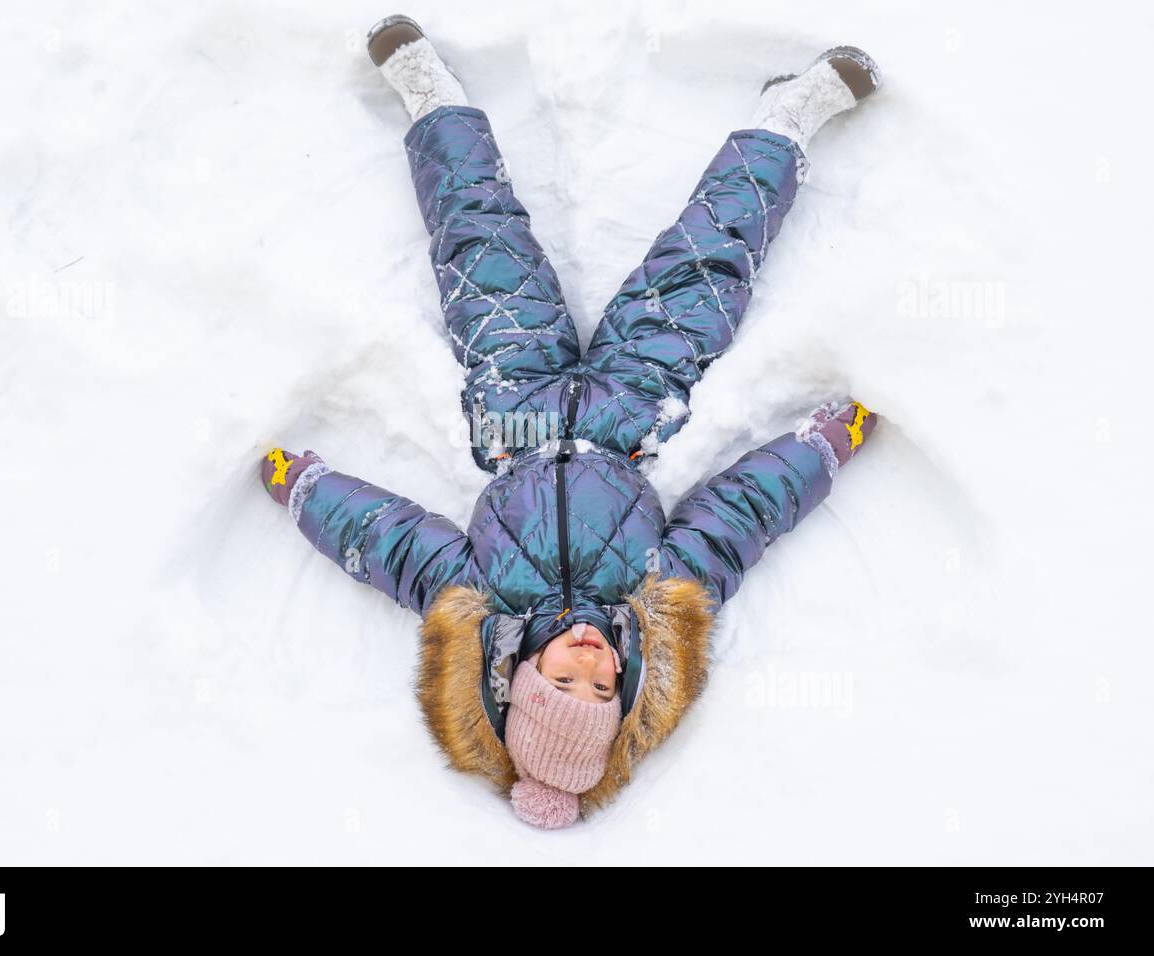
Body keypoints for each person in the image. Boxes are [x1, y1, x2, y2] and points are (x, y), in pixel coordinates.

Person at [262, 15, 880, 829]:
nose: (589, 666)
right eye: (603, 689)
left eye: (562, 684)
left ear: (515, 678)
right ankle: (785, 123)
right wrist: (823, 446)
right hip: (634, 411)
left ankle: (431, 100)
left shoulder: (474, 599)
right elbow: (741, 515)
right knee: (704, 266)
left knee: (481, 243)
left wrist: (304, 486)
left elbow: (386, 540)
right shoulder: (658, 600)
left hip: (514, 414)